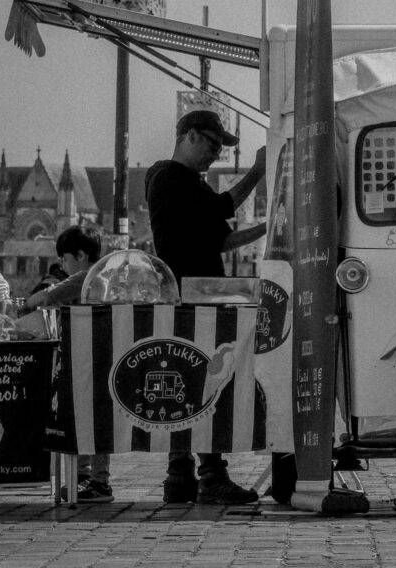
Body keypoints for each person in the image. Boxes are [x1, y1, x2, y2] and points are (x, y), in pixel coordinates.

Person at [144, 109, 266, 505]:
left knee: (190, 382)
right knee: (203, 380)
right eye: (214, 145)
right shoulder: (169, 177)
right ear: (190, 136)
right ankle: (209, 473)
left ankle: (180, 474)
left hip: (200, 290)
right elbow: (222, 208)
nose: (216, 155)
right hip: (187, 293)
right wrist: (259, 171)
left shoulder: (189, 187)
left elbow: (223, 240)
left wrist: (270, 226)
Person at [22, 224, 113, 504]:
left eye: (65, 258)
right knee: (91, 420)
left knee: (91, 421)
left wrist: (27, 302)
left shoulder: (86, 277)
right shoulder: (105, 276)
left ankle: (97, 482)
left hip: (92, 360)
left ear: (81, 255)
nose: (62, 263)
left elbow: (42, 298)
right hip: (100, 359)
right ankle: (87, 477)